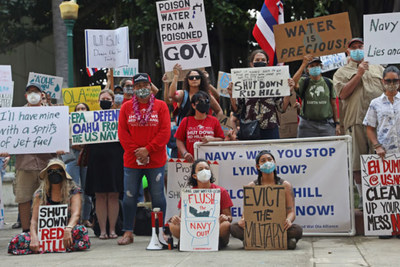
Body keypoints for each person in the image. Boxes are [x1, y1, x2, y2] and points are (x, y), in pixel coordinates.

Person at [118, 73, 170, 245]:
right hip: (132, 161)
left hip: (155, 160)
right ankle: (127, 232)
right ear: (133, 89)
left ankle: (160, 231)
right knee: (129, 196)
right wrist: (137, 152)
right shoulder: (126, 108)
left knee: (157, 195)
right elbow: (123, 134)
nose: (141, 89)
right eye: (138, 86)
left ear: (150, 86)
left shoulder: (161, 106)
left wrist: (148, 150)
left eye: (144, 85)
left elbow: (165, 132)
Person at [0, 82, 58, 233]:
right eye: (30, 92)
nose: (33, 94)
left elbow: (59, 135)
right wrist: (6, 150)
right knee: (24, 199)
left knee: (48, 198)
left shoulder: (53, 113)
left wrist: (61, 146)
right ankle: (26, 232)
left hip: (47, 164)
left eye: (36, 91)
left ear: (41, 95)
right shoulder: (16, 115)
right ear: (26, 96)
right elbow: (11, 136)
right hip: (25, 164)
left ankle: (46, 230)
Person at [333, 38, 384, 209]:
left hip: (380, 122)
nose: (357, 50)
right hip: (355, 120)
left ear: (366, 48)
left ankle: (382, 195)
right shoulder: (341, 72)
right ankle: (363, 197)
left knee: (381, 158)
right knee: (357, 161)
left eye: (360, 47)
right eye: (353, 48)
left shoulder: (378, 67)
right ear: (347, 51)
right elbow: (342, 94)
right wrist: (359, 74)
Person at [8, 158, 90, 255]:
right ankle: (45, 246)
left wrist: (68, 229)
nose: (54, 174)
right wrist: (34, 237)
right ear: (47, 174)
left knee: (81, 232)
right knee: (16, 241)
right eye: (51, 171)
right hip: (44, 234)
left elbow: (75, 214)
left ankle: (54, 246)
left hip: (67, 232)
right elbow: (34, 220)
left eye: (58, 171)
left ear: (64, 174)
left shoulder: (73, 191)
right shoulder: (40, 194)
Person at [230, 151, 303, 249]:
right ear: (258, 166)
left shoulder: (285, 185)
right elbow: (246, 212)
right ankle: (284, 241)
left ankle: (253, 241)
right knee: (234, 227)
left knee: (297, 230)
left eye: (270, 160)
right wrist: (243, 220)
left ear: (274, 163)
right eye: (263, 161)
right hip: (257, 228)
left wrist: (288, 220)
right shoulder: (251, 186)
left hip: (278, 226)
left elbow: (291, 212)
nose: (267, 162)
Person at [228, 49, 294, 140]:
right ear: (251, 64)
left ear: (267, 62)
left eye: (263, 60)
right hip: (249, 128)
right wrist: (232, 95)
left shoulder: (274, 81)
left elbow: (282, 108)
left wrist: (288, 91)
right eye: (257, 60)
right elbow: (237, 110)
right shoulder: (243, 81)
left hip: (270, 128)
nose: (260, 62)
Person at [85, 89, 124, 239]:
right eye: (103, 98)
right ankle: (102, 230)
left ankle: (113, 229)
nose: (105, 101)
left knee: (113, 195)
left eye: (108, 98)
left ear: (113, 102)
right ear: (98, 101)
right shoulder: (90, 118)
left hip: (115, 159)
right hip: (96, 160)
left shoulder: (119, 117)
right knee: (99, 196)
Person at [169, 159, 233, 249]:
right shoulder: (188, 193)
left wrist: (226, 217)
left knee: (226, 225)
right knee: (172, 225)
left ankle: (217, 242)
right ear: (194, 176)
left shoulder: (221, 191)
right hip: (193, 228)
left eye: (207, 168)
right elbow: (182, 218)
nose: (204, 171)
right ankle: (187, 240)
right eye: (200, 169)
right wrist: (176, 219)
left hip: (214, 229)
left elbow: (229, 217)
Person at [293, 55, 340, 137]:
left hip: (327, 125)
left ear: (321, 67)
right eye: (312, 66)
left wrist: (337, 123)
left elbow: (333, 105)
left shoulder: (329, 82)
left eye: (317, 65)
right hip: (307, 125)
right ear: (307, 70)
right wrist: (303, 64)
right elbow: (293, 83)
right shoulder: (304, 82)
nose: (315, 68)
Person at [175, 91, 225, 163]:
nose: (204, 103)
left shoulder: (214, 121)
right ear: (193, 105)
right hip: (191, 160)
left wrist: (212, 139)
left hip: (210, 161)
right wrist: (185, 153)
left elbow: (222, 139)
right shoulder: (186, 121)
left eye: (206, 101)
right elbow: (179, 139)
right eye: (201, 101)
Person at [66, 103, 93, 228]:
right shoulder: (69, 123)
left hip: (87, 157)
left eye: (83, 108)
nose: (81, 111)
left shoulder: (92, 123)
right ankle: (73, 218)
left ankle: (86, 218)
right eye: (78, 109)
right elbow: (68, 141)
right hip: (73, 158)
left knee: (87, 189)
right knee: (73, 188)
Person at [364, 66, 400, 158]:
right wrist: (377, 146)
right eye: (388, 81)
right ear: (383, 81)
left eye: (395, 80)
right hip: (384, 152)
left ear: (399, 81)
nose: (392, 84)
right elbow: (370, 128)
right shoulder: (375, 103)